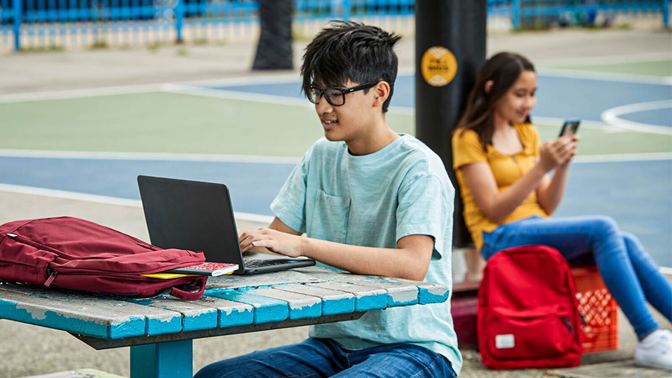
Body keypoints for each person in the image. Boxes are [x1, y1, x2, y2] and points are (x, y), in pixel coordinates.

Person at [195, 21, 462, 378]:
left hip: (414, 346)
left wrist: (302, 245)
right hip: (332, 344)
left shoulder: (419, 167)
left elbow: (411, 265)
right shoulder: (321, 156)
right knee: (217, 377)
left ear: (379, 93)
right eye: (316, 92)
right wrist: (240, 243)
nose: (323, 106)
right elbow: (276, 242)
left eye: (336, 93)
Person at [452, 51, 672, 371]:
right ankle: (649, 336)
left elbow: (547, 205)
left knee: (625, 241)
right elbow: (494, 210)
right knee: (603, 227)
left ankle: (655, 335)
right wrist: (541, 166)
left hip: (532, 225)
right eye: (519, 94)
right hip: (498, 236)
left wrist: (560, 167)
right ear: (491, 90)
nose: (528, 103)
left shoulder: (526, 132)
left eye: (533, 94)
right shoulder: (468, 138)